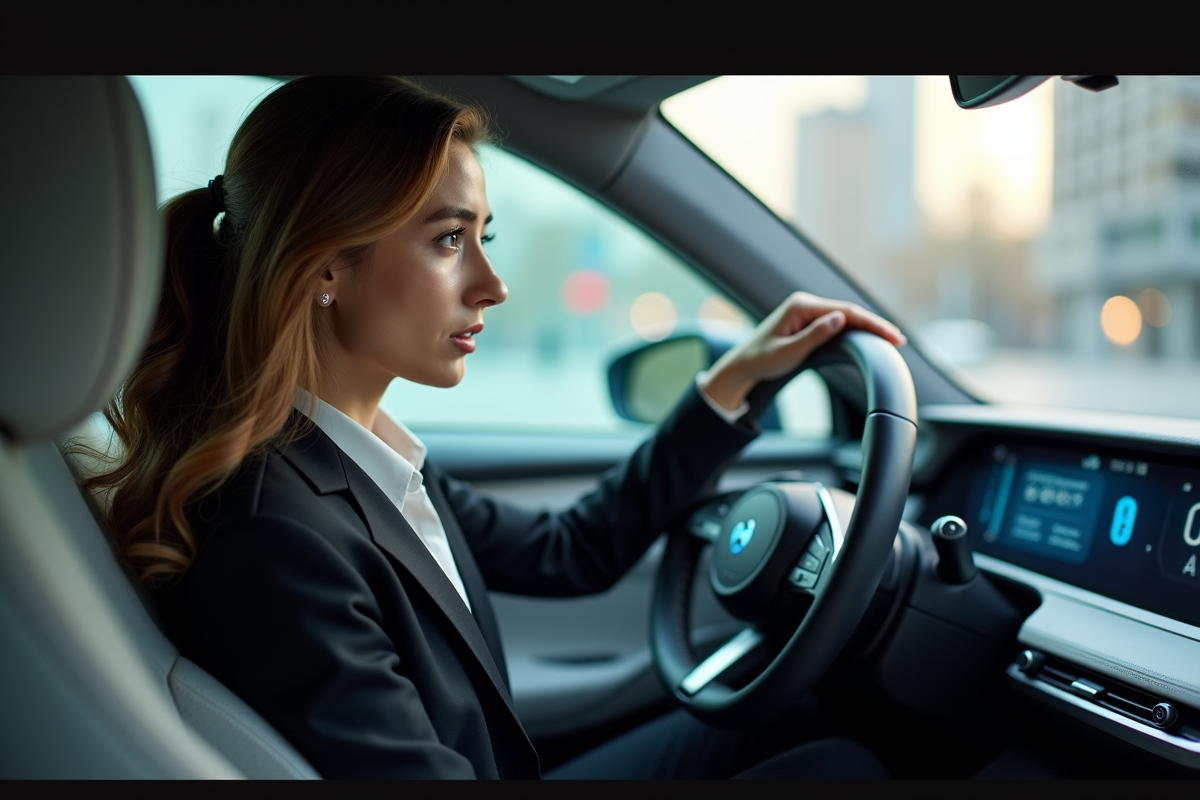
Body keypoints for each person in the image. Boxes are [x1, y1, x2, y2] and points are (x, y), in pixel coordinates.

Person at [88, 76, 906, 779]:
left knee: (787, 714)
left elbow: (570, 551)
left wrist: (729, 384)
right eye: (450, 240)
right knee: (843, 766)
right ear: (327, 265)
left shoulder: (354, 458)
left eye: (484, 238)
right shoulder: (276, 535)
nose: (494, 284)